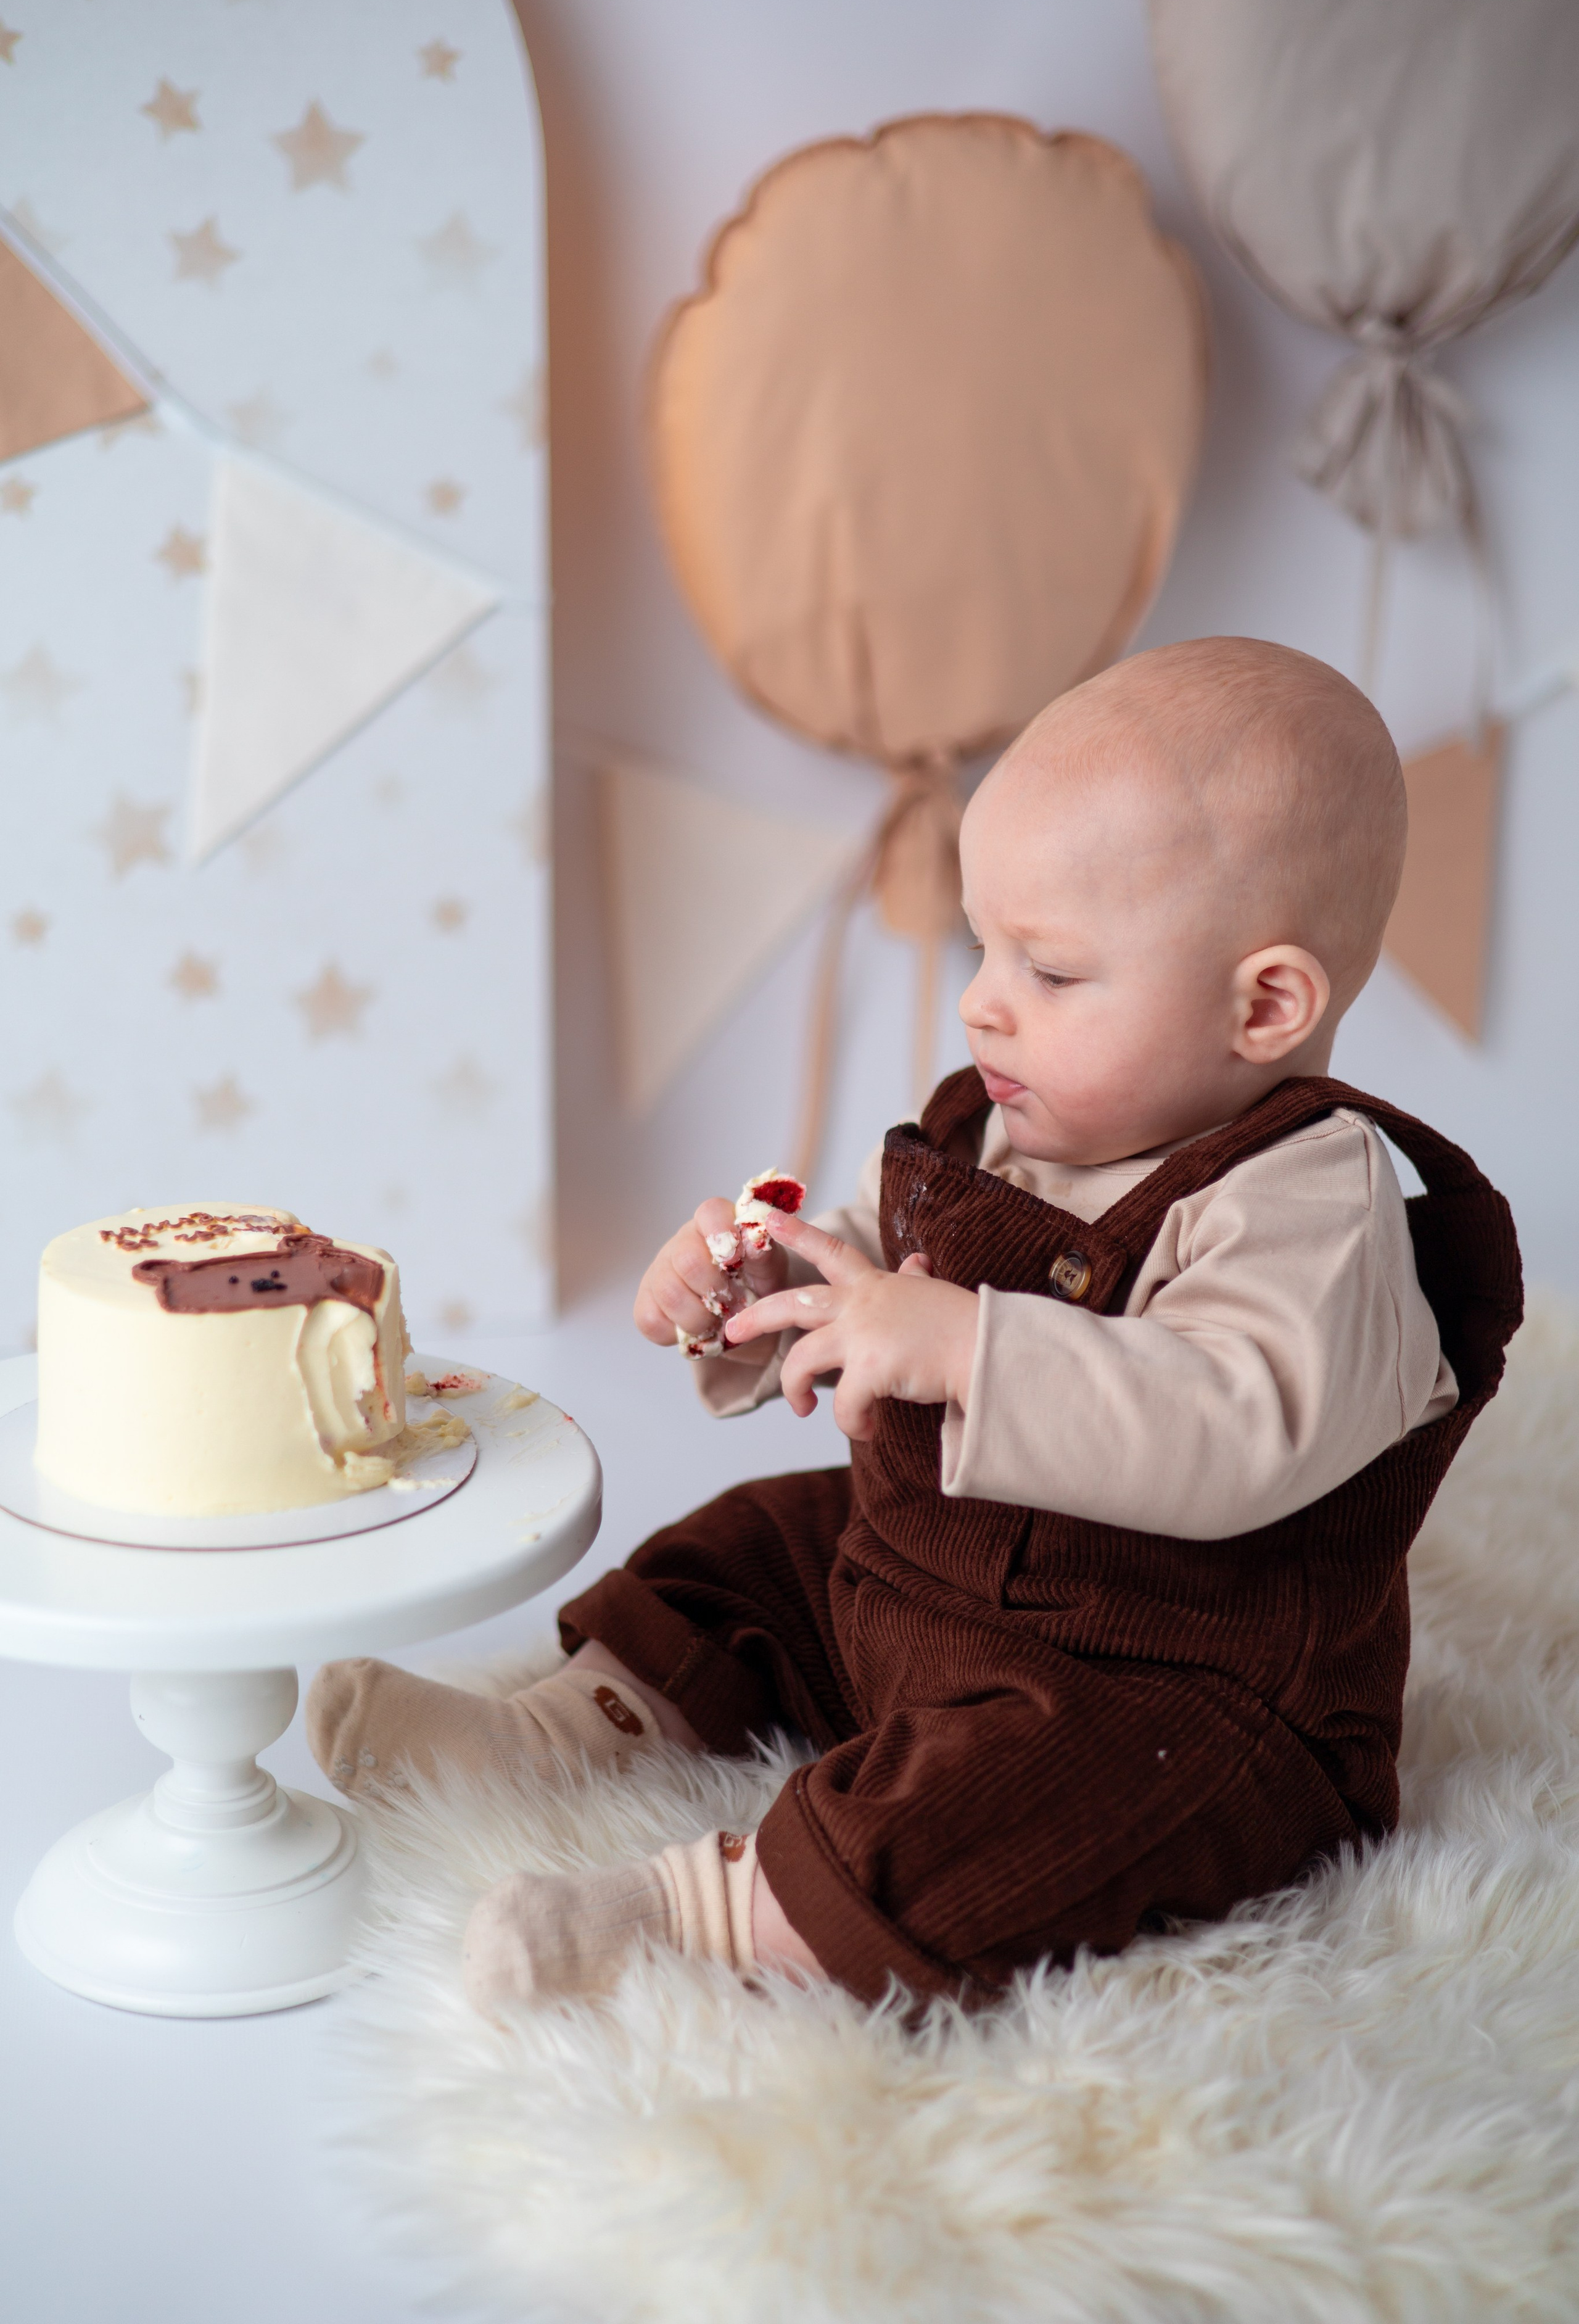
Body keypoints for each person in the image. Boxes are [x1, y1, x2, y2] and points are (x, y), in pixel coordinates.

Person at [308, 637, 1522, 2012]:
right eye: (982, 942)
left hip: (1172, 1680)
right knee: (761, 1540)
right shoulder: (1019, 1117)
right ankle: (543, 1737)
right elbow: (886, 1281)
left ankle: (704, 1914)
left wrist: (956, 1346)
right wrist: (755, 1300)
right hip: (934, 1585)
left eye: (1049, 971)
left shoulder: (1310, 1198)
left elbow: (1239, 1424)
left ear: (1262, 1005)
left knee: (1027, 1810)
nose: (977, 998)